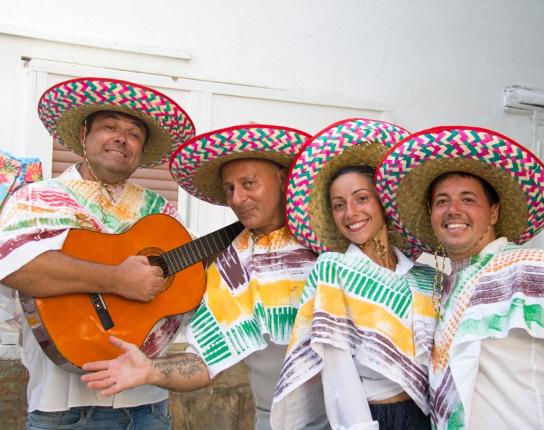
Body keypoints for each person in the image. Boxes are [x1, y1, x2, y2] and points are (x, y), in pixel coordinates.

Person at [81, 123, 330, 430]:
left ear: (282, 180)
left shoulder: (331, 244)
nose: (238, 199)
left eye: (249, 183)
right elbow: (204, 362)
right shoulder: (231, 268)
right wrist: (151, 371)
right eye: (230, 189)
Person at [0, 77, 196, 429]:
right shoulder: (35, 198)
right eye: (110, 127)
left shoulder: (161, 213)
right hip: (61, 409)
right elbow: (14, 267)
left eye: (134, 133)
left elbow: (192, 286)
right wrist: (117, 279)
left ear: (142, 149)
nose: (122, 138)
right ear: (84, 134)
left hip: (149, 407)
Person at [376, 125, 544, 429]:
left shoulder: (530, 267)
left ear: (493, 213)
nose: (453, 210)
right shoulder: (444, 289)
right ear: (431, 213)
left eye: (468, 199)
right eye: (442, 201)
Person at [271, 118, 437, 430]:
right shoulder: (334, 270)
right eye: (338, 205)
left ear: (383, 202)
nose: (351, 213)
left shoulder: (424, 278)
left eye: (362, 198)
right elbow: (337, 369)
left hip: (428, 419)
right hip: (374, 418)